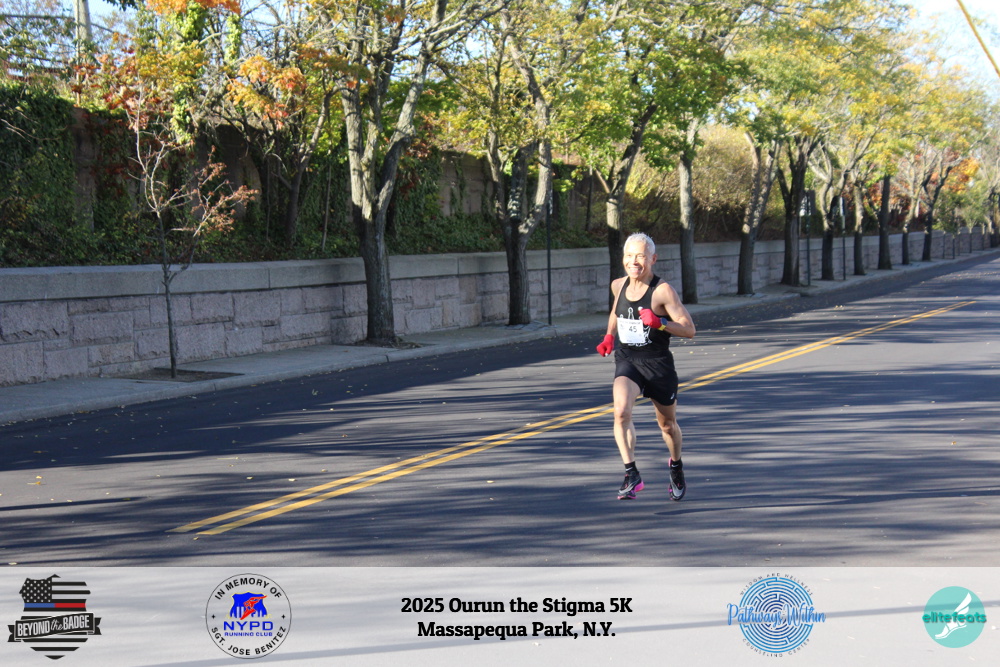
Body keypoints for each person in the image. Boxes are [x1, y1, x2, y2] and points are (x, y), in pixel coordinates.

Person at [595, 232, 696, 500]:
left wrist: (660, 323)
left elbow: (689, 329)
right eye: (629, 255)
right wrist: (609, 336)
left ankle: (676, 466)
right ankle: (632, 474)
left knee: (667, 425)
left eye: (640, 256)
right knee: (620, 412)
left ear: (653, 259)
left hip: (658, 363)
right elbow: (616, 311)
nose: (634, 261)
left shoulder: (662, 291)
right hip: (628, 359)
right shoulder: (618, 285)